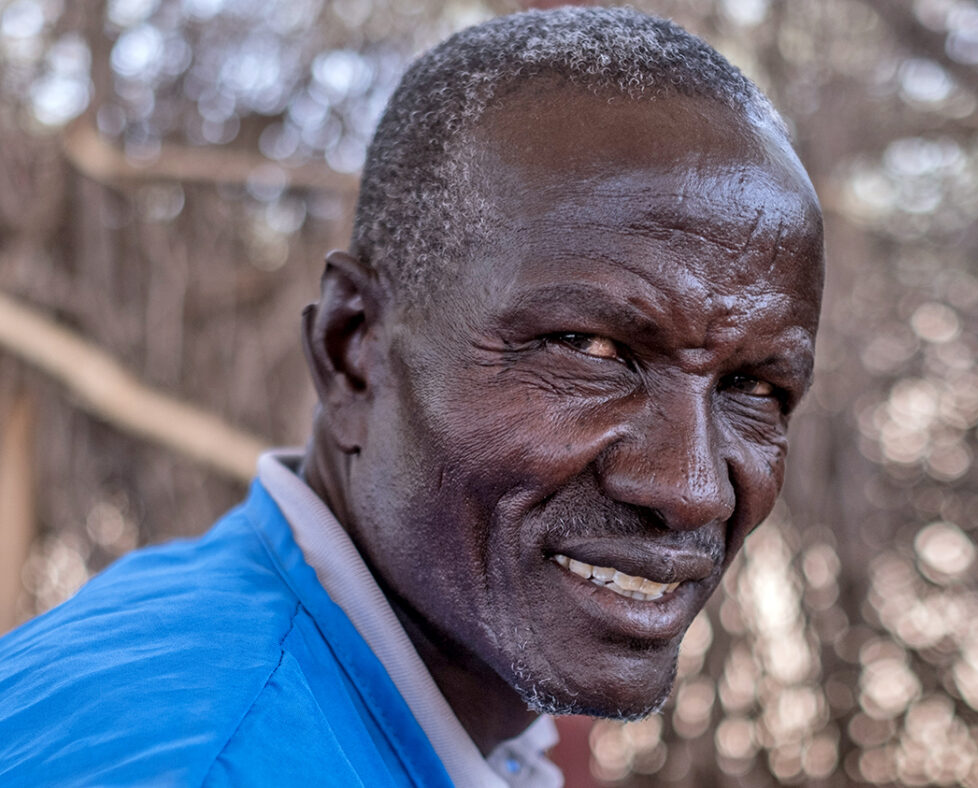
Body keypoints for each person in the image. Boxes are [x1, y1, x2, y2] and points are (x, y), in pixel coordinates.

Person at [0, 6, 824, 787]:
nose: (691, 488)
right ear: (353, 350)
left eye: (754, 388)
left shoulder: (296, 685)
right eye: (591, 350)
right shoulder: (208, 758)